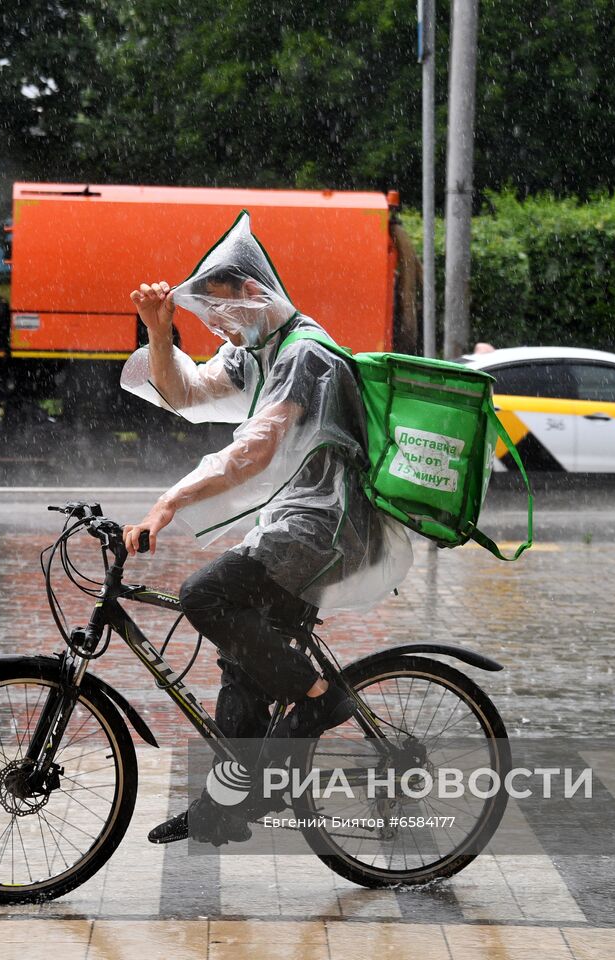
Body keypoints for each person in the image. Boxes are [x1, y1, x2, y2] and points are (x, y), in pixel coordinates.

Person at [120, 213, 413, 845]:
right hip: (300, 522)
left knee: (205, 596)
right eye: (211, 322)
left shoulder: (306, 353)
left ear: (255, 295)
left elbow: (253, 450)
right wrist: (159, 329)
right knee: (244, 660)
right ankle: (224, 808)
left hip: (332, 525)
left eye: (223, 314)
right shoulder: (259, 352)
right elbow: (186, 393)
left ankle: (318, 696)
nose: (220, 330)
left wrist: (167, 503)